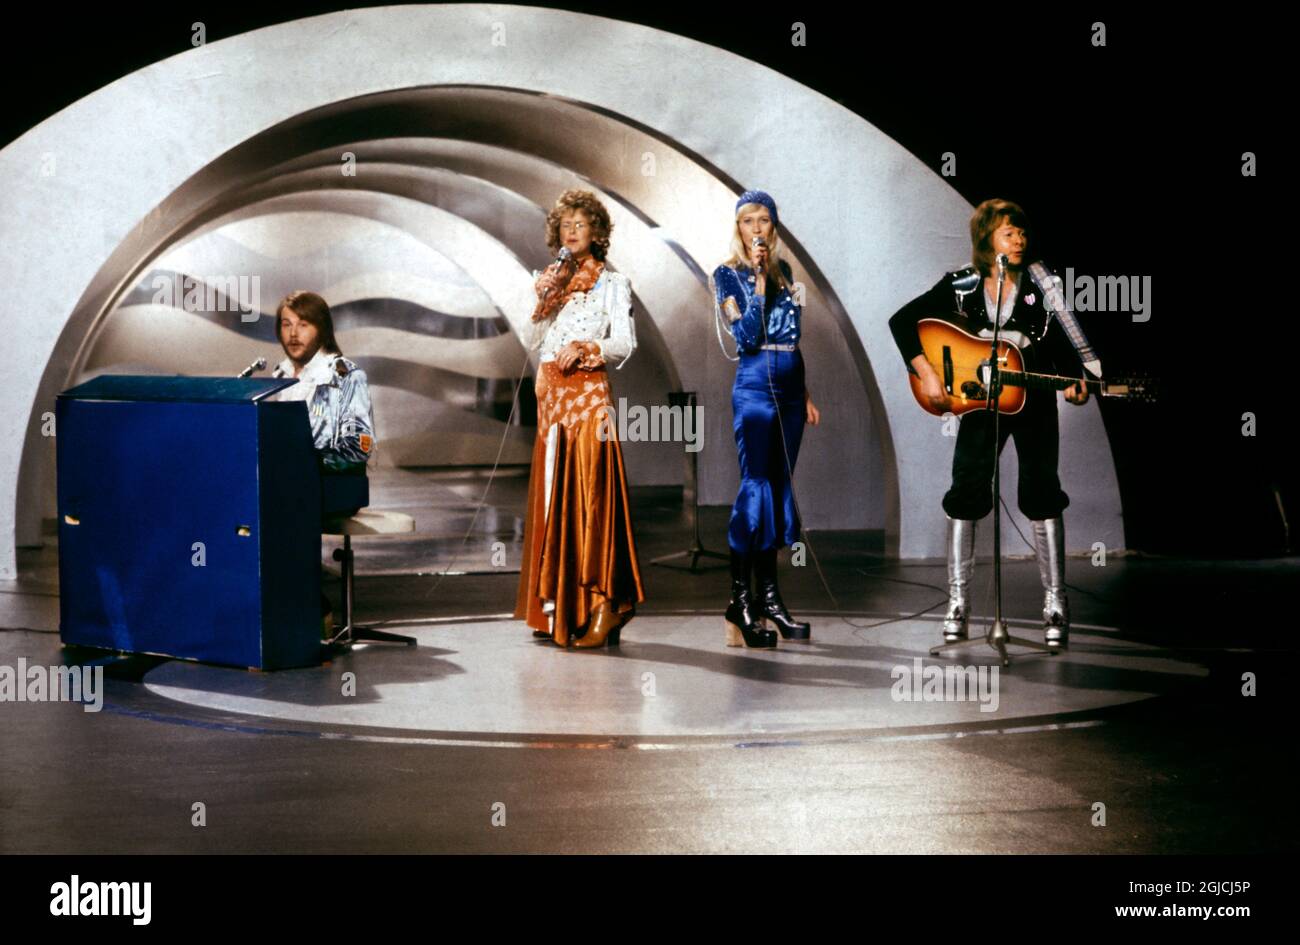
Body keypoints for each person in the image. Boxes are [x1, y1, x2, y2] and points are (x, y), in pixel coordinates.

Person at [887, 199, 1098, 648]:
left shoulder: (1042, 285)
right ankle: (958, 602)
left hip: (1034, 399)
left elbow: (1063, 341)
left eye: (1021, 232)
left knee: (1042, 490)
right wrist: (927, 372)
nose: (1019, 239)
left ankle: (1055, 604)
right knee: (966, 490)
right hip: (980, 402)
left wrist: (1078, 381)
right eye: (1008, 233)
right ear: (987, 241)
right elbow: (903, 321)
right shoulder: (963, 283)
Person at [514, 190, 645, 648]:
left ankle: (604, 606)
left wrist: (589, 348)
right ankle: (558, 612)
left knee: (592, 496)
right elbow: (534, 340)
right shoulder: (549, 279)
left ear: (597, 233)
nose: (571, 231)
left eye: (581, 224)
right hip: (552, 392)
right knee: (556, 495)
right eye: (565, 225)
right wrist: (542, 298)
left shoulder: (613, 283)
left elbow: (624, 343)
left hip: (588, 393)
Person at [710, 190, 821, 648]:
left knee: (778, 490)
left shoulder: (788, 272)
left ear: (774, 227)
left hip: (790, 390)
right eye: (748, 221)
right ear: (738, 228)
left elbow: (792, 336)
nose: (757, 228)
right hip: (755, 387)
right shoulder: (726, 275)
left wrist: (805, 392)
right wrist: (756, 281)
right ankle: (740, 602)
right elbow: (747, 337)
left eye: (765, 221)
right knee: (755, 488)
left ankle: (771, 599)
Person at [270, 290, 376, 638]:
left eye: (303, 324)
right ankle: (276, 611)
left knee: (281, 504)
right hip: (291, 482)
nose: (293, 334)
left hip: (338, 482)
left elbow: (357, 448)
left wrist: (303, 458)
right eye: (286, 324)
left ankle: (312, 610)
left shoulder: (346, 375)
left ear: (322, 328)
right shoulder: (278, 376)